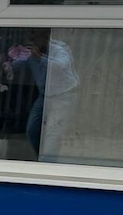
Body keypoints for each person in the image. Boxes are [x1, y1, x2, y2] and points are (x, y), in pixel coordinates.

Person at [10, 28, 80, 161]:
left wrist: (40, 58)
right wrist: (15, 55)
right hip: (45, 95)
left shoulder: (59, 49)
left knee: (53, 134)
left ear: (46, 37)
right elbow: (16, 65)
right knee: (32, 129)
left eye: (36, 37)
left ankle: (48, 165)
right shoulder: (31, 51)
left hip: (64, 96)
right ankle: (41, 160)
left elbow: (61, 66)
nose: (33, 40)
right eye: (31, 37)